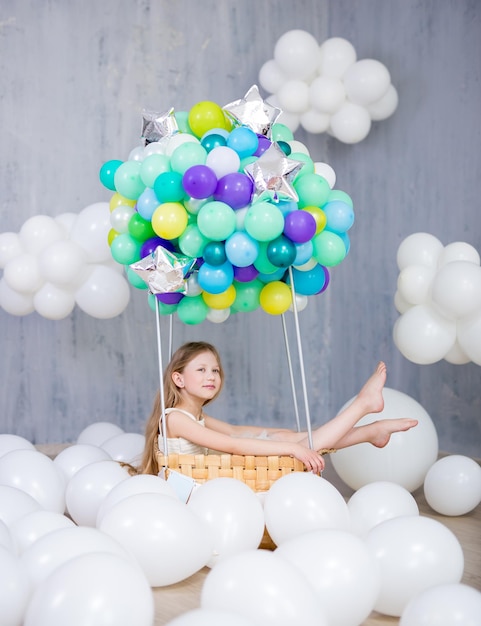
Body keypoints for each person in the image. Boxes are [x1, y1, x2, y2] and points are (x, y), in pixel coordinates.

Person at [139, 341, 418, 476]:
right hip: (205, 482)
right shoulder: (175, 419)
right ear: (178, 378)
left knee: (289, 437)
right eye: (201, 370)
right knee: (297, 445)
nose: (211, 376)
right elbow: (232, 444)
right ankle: (363, 406)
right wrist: (292, 448)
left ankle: (371, 432)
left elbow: (236, 430)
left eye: (215, 370)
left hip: (219, 467)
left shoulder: (194, 415)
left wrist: (284, 435)